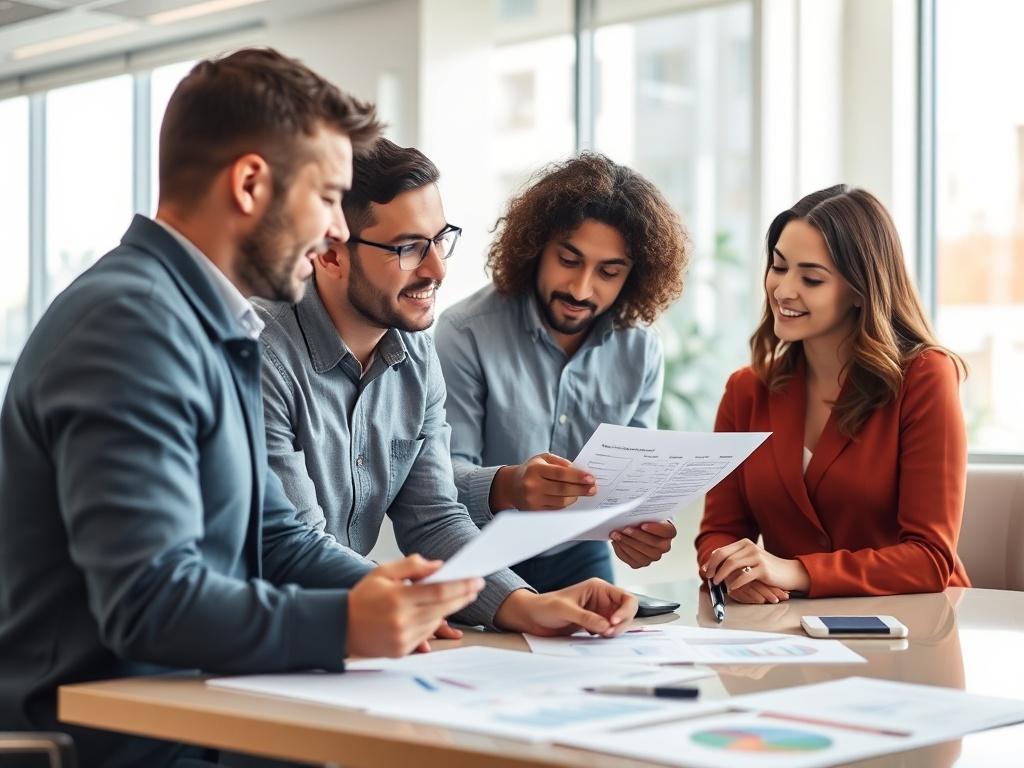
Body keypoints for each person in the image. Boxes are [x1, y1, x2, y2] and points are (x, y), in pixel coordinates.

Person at [0, 49, 485, 768]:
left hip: (198, 711)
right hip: (119, 740)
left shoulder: (208, 321)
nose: (337, 232)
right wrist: (345, 623)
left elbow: (273, 532)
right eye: (327, 198)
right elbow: (150, 599)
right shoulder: (132, 324)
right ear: (251, 184)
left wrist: (385, 591)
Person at [254, 138, 639, 636]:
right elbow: (292, 545)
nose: (437, 269)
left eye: (440, 240)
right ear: (329, 254)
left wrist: (525, 605)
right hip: (253, 638)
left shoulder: (415, 354)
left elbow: (434, 517)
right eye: (409, 248)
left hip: (347, 632)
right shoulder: (260, 354)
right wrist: (408, 600)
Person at [697, 184, 971, 604]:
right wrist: (735, 572)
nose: (783, 290)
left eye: (811, 278)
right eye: (778, 267)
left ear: (860, 291)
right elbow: (720, 531)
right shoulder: (746, 390)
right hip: (787, 627)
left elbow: (930, 558)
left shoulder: (924, 376)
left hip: (917, 622)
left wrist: (795, 571)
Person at [434, 154, 691, 592]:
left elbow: (631, 481)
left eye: (609, 272)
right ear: (535, 247)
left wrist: (641, 528)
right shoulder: (465, 332)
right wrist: (510, 485)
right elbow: (436, 483)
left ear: (633, 277)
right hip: (478, 547)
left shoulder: (641, 347)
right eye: (569, 260)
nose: (581, 289)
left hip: (580, 551)